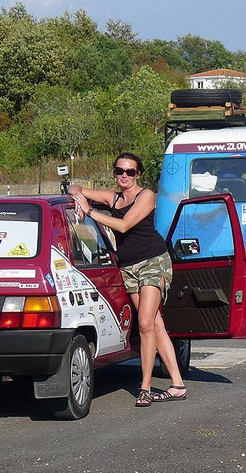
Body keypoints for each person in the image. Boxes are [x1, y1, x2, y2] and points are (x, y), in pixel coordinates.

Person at [69, 153, 187, 407]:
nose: (124, 176)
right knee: (155, 324)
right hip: (128, 267)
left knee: (144, 323)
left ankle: (144, 387)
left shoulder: (147, 196)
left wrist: (90, 212)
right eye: (119, 171)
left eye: (130, 172)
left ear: (138, 175)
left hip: (153, 262)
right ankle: (177, 384)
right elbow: (76, 187)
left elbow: (124, 226)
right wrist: (77, 196)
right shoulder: (113, 197)